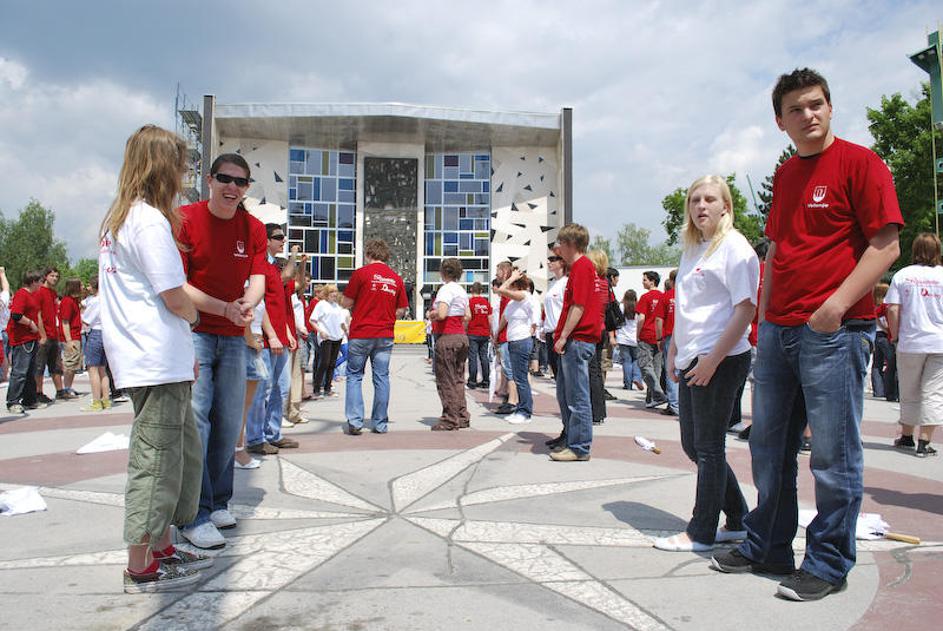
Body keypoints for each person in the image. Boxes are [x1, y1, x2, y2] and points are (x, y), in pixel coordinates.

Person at [711, 68, 902, 602]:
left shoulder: (861, 163)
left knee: (833, 455)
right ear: (780, 121)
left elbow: (886, 245)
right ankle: (767, 546)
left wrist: (836, 307)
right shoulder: (787, 175)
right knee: (768, 447)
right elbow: (777, 250)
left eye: (816, 104)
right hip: (780, 330)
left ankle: (828, 562)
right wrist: (766, 318)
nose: (808, 115)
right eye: (795, 109)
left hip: (835, 331)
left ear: (830, 107)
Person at [97, 124, 208, 593]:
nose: (185, 175)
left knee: (177, 455)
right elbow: (172, 294)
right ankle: (140, 562)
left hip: (155, 357)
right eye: (181, 165)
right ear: (163, 168)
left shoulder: (121, 220)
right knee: (157, 460)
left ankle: (161, 545)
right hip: (156, 357)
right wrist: (195, 320)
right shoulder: (148, 222)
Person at [655, 175, 759, 552]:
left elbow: (746, 308)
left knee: (709, 446)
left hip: (721, 357)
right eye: (695, 199)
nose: (701, 205)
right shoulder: (693, 248)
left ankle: (701, 530)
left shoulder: (734, 247)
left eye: (710, 199)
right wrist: (674, 350)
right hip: (691, 355)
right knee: (692, 445)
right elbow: (687, 307)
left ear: (725, 207)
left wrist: (713, 360)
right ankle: (739, 517)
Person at [176, 153, 267, 550]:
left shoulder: (253, 227)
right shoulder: (186, 219)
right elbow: (178, 284)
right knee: (197, 420)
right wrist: (222, 308)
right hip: (195, 329)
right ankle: (193, 514)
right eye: (225, 179)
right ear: (210, 180)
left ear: (247, 188)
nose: (232, 187)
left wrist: (247, 303)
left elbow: (258, 278)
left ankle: (217, 502)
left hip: (232, 335)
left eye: (240, 182)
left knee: (229, 421)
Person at [341, 239, 408, 435]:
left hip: (361, 332)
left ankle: (355, 421)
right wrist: (386, 315)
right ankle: (380, 423)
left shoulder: (361, 274)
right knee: (381, 377)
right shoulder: (396, 278)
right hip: (384, 334)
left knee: (354, 376)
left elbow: (346, 302)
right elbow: (401, 310)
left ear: (368, 254)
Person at [886, 233, 943, 457]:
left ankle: (907, 435)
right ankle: (925, 442)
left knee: (909, 390)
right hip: (939, 342)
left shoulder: (903, 275)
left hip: (910, 341)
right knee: (934, 392)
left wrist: (895, 335)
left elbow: (892, 308)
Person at [550, 224, 602, 461]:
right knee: (567, 393)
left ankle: (580, 447)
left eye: (560, 243)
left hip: (578, 339)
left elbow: (578, 306)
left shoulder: (581, 267)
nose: (557, 248)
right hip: (578, 339)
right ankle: (573, 440)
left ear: (570, 244)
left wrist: (563, 336)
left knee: (577, 396)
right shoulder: (583, 267)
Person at [248, 234, 301, 454]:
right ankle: (255, 438)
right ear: (266, 240)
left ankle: (272, 433)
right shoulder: (259, 266)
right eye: (278, 237)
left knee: (281, 388)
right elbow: (260, 305)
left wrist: (286, 331)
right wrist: (270, 334)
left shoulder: (271, 268)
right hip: (266, 340)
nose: (283, 240)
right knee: (263, 390)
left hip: (279, 338)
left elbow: (281, 299)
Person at [428, 258, 471, 430]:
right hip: (461, 336)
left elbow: (442, 314)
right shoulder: (461, 291)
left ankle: (450, 418)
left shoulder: (445, 289)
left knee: (446, 379)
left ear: (443, 272)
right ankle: (462, 415)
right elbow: (468, 316)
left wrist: (431, 314)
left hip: (447, 336)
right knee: (458, 378)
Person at [497, 268, 535, 425]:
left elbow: (501, 290)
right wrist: (496, 334)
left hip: (521, 340)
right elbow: (505, 318)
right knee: (518, 377)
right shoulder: (513, 302)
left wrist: (511, 278)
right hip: (513, 340)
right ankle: (521, 408)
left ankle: (525, 411)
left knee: (520, 378)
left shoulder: (524, 295)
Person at [5, 270, 45, 414]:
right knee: (20, 372)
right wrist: (30, 323)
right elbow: (16, 315)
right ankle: (13, 401)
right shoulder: (22, 294)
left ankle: (29, 399)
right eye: (40, 281)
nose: (41, 284)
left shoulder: (32, 295)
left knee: (30, 371)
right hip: (21, 339)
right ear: (33, 282)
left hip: (31, 338)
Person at [35, 267, 72, 402]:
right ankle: (38, 392)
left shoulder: (53, 293)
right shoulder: (39, 291)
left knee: (56, 365)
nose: (55, 278)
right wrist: (42, 334)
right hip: (43, 335)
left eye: (57, 276)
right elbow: (37, 314)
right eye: (52, 276)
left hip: (53, 334)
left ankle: (60, 391)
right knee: (39, 366)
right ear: (45, 276)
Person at [586, 249, 611, 425]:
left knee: (591, 372)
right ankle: (599, 411)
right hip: (601, 328)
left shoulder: (593, 281)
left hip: (591, 329)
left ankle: (594, 412)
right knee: (595, 372)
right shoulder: (605, 282)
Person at [310, 284, 347, 399]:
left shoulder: (337, 306)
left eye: (335, 292)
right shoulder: (321, 305)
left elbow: (342, 322)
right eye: (331, 292)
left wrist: (346, 332)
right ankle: (317, 389)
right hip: (326, 337)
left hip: (337, 337)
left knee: (332, 364)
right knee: (324, 363)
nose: (334, 294)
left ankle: (328, 388)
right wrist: (320, 331)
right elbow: (312, 320)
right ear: (326, 294)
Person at [636, 271, 667, 409]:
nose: (643, 282)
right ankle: (651, 398)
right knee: (656, 368)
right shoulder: (663, 296)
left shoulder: (645, 297)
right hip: (660, 335)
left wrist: (637, 333)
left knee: (645, 366)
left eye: (645, 280)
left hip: (647, 334)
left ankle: (658, 394)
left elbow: (641, 318)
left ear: (652, 281)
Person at [81, 277, 110, 411]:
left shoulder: (95, 301)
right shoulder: (108, 299)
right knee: (103, 369)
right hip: (106, 333)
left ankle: (96, 401)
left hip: (96, 333)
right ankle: (106, 399)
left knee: (93, 369)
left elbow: (87, 320)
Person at [543, 249, 568, 382]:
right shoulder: (553, 283)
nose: (549, 262)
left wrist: (561, 332)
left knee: (563, 374)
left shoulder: (566, 282)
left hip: (559, 332)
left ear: (562, 262)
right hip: (550, 332)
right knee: (557, 373)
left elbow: (567, 309)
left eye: (553, 259)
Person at [656, 271, 679, 416]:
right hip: (686, 335)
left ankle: (674, 404)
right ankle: (682, 403)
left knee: (670, 368)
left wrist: (659, 338)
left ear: (671, 281)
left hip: (670, 335)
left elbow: (659, 319)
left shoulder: (666, 296)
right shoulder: (688, 293)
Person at [59, 278, 84, 397]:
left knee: (74, 364)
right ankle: (66, 388)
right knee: (70, 363)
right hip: (71, 336)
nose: (83, 287)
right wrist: (68, 340)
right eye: (81, 285)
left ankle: (69, 387)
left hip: (76, 335)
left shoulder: (74, 301)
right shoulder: (67, 301)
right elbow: (65, 321)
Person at [466, 282, 492, 389]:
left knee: (472, 357)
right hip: (484, 332)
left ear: (471, 290)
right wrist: (491, 332)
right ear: (481, 291)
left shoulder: (470, 302)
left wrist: (464, 329)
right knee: (484, 357)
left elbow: (467, 317)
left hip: (473, 332)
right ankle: (486, 380)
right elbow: (490, 319)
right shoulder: (486, 302)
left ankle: (472, 381)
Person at [616, 290, 643, 391]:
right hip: (635, 338)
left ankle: (628, 384)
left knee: (626, 361)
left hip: (623, 338)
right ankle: (637, 378)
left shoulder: (621, 307)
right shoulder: (638, 307)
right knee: (636, 359)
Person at [1, 267, 12, 383]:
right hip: (4, 330)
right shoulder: (2, 300)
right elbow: (6, 289)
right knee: (4, 355)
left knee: (4, 354)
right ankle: (4, 376)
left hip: (3, 331)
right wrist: (2, 274)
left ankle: (3, 376)